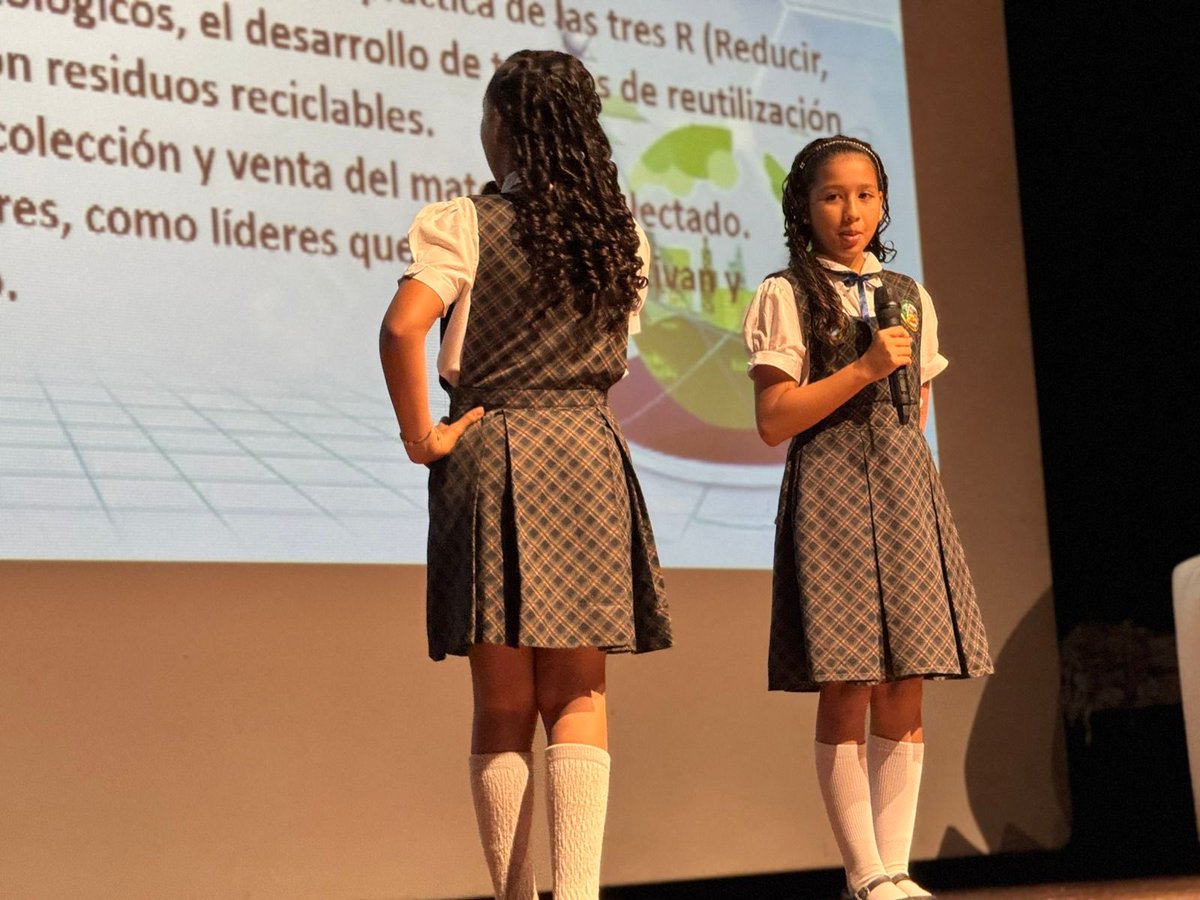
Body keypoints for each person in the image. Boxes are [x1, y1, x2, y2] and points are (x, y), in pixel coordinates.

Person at [378, 49, 672, 900]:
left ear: (502, 126)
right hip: (582, 449)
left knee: (504, 699)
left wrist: (421, 436)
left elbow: (403, 330)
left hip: (491, 443)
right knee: (579, 690)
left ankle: (512, 897)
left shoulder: (465, 223)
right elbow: (619, 353)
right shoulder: (621, 233)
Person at [742, 135, 992, 900]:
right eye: (831, 196)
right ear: (805, 206)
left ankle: (896, 869)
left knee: (906, 677)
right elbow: (775, 418)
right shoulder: (786, 293)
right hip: (830, 490)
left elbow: (919, 408)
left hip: (904, 486)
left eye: (864, 195)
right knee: (847, 679)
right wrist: (862, 369)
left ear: (883, 202)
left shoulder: (909, 293)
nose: (850, 212)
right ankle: (865, 872)